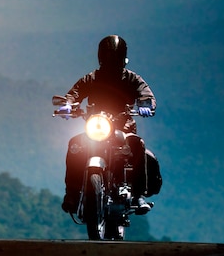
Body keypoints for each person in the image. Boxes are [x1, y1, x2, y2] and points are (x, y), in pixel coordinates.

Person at [58, 35, 156, 215]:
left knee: (137, 144)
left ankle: (137, 195)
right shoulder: (92, 78)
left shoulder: (132, 79)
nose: (112, 62)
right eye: (109, 57)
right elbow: (75, 93)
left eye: (115, 58)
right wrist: (68, 105)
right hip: (96, 126)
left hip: (123, 127)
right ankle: (71, 194)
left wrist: (146, 105)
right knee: (75, 145)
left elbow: (146, 94)